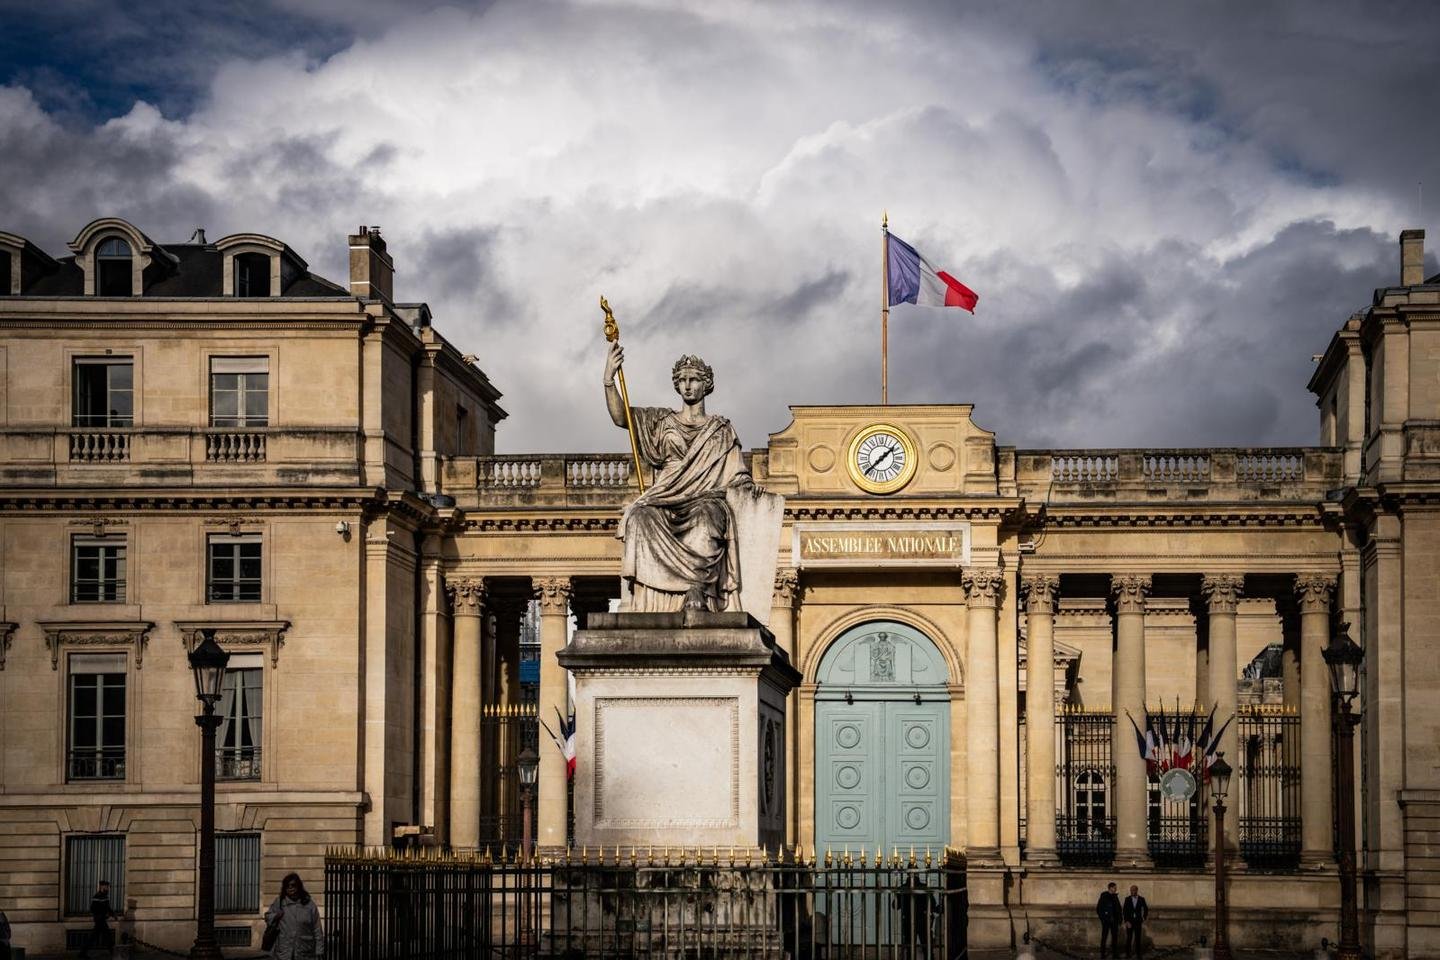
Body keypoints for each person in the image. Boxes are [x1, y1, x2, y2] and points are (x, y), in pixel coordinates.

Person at [603, 343, 767, 612]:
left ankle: (697, 587)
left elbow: (736, 473)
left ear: (707, 384)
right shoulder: (661, 420)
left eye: (693, 380)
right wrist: (609, 380)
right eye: (682, 381)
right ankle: (649, 600)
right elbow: (622, 418)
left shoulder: (721, 429)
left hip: (705, 497)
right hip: (665, 495)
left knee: (707, 517)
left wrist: (749, 488)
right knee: (640, 517)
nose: (687, 386)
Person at [264, 873, 324, 959]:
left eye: (293, 885)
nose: (290, 888)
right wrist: (276, 916)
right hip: (284, 950)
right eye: (287, 886)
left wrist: (319, 950)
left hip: (304, 949)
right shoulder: (280, 902)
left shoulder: (309, 904)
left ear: (299, 886)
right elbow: (267, 916)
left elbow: (317, 928)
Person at [81, 880, 114, 958]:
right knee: (107, 935)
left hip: (101, 920)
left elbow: (107, 907)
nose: (108, 888)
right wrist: (102, 914)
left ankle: (82, 953)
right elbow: (93, 908)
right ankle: (113, 952)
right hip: (99, 920)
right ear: (102, 887)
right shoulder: (97, 896)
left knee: (95, 937)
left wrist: (113, 914)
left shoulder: (105, 896)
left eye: (108, 887)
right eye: (107, 887)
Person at [1096, 881, 1122, 958]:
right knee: (1104, 937)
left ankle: (1115, 954)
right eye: (1114, 888)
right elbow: (1099, 909)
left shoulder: (1115, 896)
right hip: (1106, 921)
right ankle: (1103, 954)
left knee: (1115, 938)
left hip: (1114, 921)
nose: (1115, 889)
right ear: (1110, 888)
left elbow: (1118, 908)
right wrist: (1103, 919)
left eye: (1115, 888)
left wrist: (1120, 919)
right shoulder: (1104, 895)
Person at [1123, 883, 1149, 958]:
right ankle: (1128, 954)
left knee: (1138, 938)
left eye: (1134, 890)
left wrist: (1144, 917)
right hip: (1129, 922)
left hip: (1138, 921)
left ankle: (1138, 954)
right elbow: (1124, 911)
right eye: (1131, 890)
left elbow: (1146, 908)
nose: (1132, 892)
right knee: (1129, 938)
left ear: (1137, 890)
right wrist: (1126, 921)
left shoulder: (1141, 899)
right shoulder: (1127, 899)